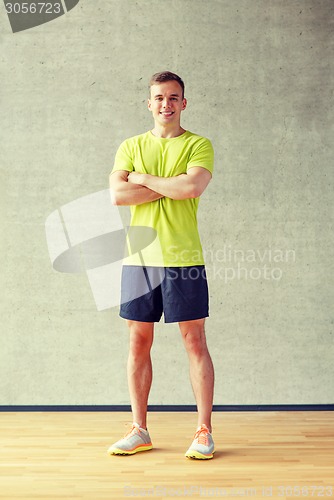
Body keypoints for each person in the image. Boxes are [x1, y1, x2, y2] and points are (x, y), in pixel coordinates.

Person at [108, 71, 215, 460]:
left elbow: (191, 188)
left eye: (173, 98)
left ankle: (203, 431)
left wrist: (143, 179)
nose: (166, 104)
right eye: (159, 98)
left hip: (184, 258)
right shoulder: (131, 145)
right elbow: (118, 196)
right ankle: (139, 429)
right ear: (149, 103)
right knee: (138, 341)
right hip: (138, 261)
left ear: (183, 103)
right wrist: (167, 184)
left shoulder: (198, 145)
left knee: (194, 341)